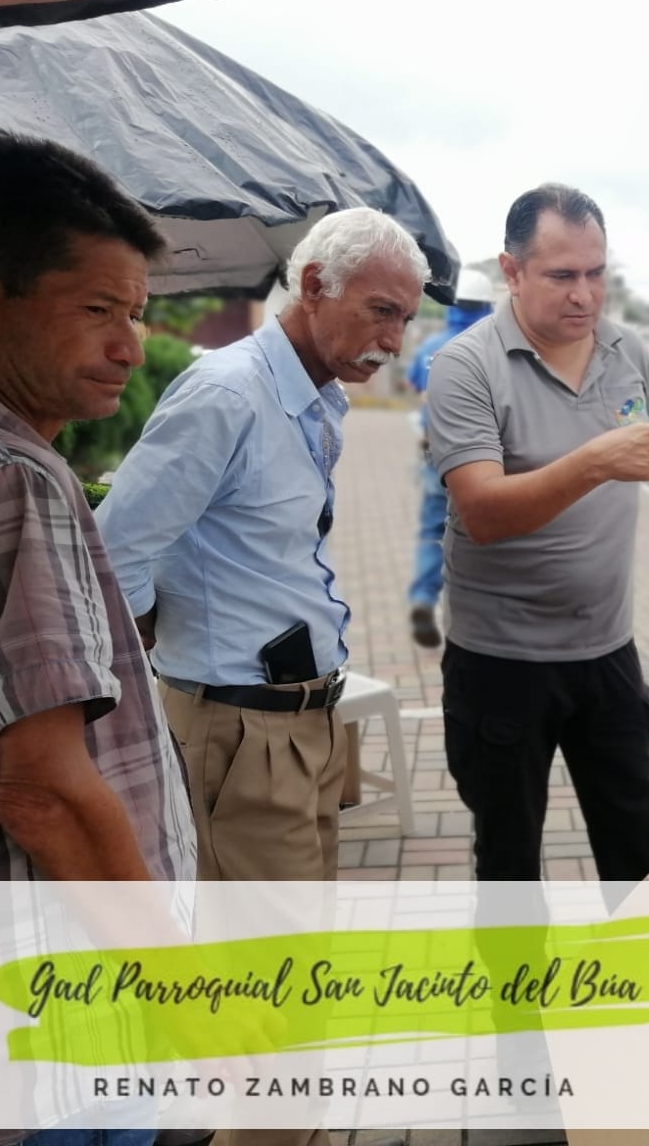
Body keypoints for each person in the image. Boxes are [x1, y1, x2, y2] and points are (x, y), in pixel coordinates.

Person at [0, 129, 196, 1146]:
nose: (130, 347)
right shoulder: (8, 480)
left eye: (136, 315)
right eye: (97, 310)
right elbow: (41, 792)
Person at [97, 208, 429, 896]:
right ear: (313, 285)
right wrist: (154, 625)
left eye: (405, 319)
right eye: (381, 311)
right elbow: (114, 547)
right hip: (243, 729)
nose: (394, 341)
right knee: (264, 953)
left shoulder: (318, 397)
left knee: (298, 941)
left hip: (303, 721)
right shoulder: (228, 395)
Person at [426, 183, 649, 881]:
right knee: (509, 859)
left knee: (634, 848)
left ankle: (636, 956)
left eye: (596, 273)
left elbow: (639, 452)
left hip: (607, 650)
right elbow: (483, 513)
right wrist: (596, 461)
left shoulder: (626, 350)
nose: (584, 295)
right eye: (562, 275)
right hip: (501, 660)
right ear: (511, 271)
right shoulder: (466, 365)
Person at [405, 268, 496, 648]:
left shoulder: (432, 346)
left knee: (432, 529)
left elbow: (414, 383)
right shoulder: (494, 349)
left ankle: (423, 599)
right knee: (483, 532)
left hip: (435, 451)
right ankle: (475, 615)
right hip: (485, 459)